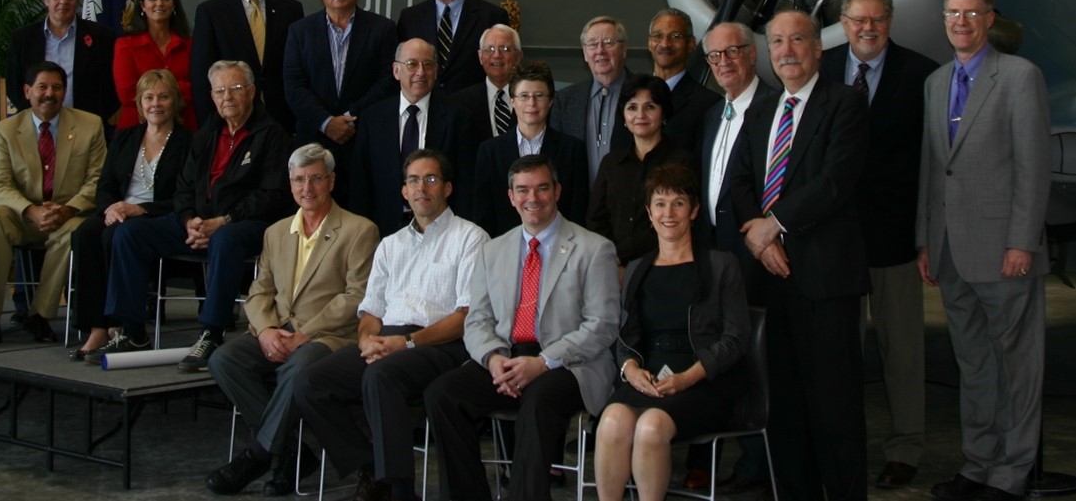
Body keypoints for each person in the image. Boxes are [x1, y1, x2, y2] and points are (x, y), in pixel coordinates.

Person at [917, 0, 1051, 501]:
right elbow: (934, 171)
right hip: (950, 251)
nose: (962, 23)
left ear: (990, 19)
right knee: (973, 364)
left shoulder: (1019, 78)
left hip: (1003, 251)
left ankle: (1012, 472)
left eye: (972, 14)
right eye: (953, 13)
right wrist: (925, 240)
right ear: (944, 19)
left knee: (1017, 365)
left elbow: (1033, 168)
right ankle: (978, 465)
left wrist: (1023, 242)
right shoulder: (935, 83)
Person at [728, 10, 870, 501]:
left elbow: (834, 182)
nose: (786, 50)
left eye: (797, 40)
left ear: (817, 48)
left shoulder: (844, 104)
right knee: (782, 405)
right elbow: (738, 184)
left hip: (825, 282)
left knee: (836, 406)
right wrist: (760, 238)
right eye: (777, 41)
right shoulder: (762, 111)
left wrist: (775, 224)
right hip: (770, 281)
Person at [291, 149, 489, 501]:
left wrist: (408, 342)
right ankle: (372, 464)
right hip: (388, 341)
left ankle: (399, 491)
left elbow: (465, 316)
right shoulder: (390, 244)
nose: (421, 188)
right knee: (310, 382)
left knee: (381, 376)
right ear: (403, 191)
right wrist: (368, 340)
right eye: (413, 180)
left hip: (440, 345)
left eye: (430, 179)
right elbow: (371, 311)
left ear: (447, 188)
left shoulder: (471, 238)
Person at [425, 154, 620, 501]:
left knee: (539, 399)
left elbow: (602, 325)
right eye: (523, 190)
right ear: (511, 197)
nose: (533, 198)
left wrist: (543, 362)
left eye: (542, 188)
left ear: (557, 191)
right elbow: (478, 319)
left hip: (569, 364)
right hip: (507, 357)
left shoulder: (594, 249)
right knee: (443, 394)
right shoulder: (493, 250)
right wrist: (493, 358)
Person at [205, 144, 380, 497]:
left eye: (316, 178)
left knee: (299, 369)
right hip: (279, 330)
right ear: (290, 183)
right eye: (299, 179)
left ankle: (260, 454)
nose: (307, 188)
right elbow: (259, 292)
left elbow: (356, 296)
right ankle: (288, 451)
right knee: (224, 358)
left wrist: (305, 333)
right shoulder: (275, 232)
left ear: (331, 181)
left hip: (330, 336)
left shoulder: (360, 229)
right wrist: (267, 330)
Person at [96, 60, 293, 371]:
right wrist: (190, 219)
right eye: (220, 91)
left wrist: (224, 220)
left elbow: (272, 196)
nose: (228, 97)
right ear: (212, 97)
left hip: (246, 225)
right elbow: (184, 188)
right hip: (199, 222)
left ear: (252, 92)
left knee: (225, 240)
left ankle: (211, 333)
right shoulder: (206, 134)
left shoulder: (271, 135)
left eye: (236, 89)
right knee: (129, 233)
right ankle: (132, 332)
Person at [820, 0, 937, 490]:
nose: (867, 30)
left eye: (877, 21)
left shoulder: (922, 75)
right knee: (838, 354)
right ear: (842, 23)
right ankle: (841, 447)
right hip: (833, 243)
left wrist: (925, 236)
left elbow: (933, 165)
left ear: (890, 22)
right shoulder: (821, 68)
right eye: (857, 21)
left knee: (902, 351)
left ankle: (906, 448)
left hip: (893, 240)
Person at [594, 165, 751, 501]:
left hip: (704, 382)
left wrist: (689, 377)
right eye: (660, 204)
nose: (669, 213)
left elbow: (736, 338)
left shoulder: (722, 264)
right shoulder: (637, 269)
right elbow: (624, 336)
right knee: (611, 421)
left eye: (678, 203)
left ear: (693, 211)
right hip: (648, 378)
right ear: (649, 213)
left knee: (651, 427)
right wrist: (630, 370)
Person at [0, 61, 107, 348]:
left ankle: (39, 314)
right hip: (24, 215)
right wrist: (30, 210)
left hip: (68, 214)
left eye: (57, 88)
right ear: (27, 91)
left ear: (64, 91)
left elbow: (98, 180)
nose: (49, 94)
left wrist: (68, 209)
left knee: (76, 232)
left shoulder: (89, 124)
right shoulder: (6, 130)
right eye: (42, 87)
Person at [69, 69, 192, 361]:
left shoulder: (189, 143)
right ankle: (97, 327)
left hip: (157, 216)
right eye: (148, 97)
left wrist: (141, 209)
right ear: (139, 103)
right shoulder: (125, 138)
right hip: (120, 212)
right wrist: (111, 208)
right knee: (85, 233)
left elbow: (185, 197)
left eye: (163, 96)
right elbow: (105, 187)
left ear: (175, 101)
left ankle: (122, 326)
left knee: (116, 234)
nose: (156, 104)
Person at [695, 26, 770, 492]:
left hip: (759, 257)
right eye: (714, 55)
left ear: (753, 54)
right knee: (730, 358)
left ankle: (764, 465)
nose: (723, 62)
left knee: (761, 364)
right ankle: (746, 462)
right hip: (717, 257)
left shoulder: (774, 108)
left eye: (733, 52)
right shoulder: (713, 114)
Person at [282, 0, 399, 190]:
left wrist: (349, 120)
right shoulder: (299, 31)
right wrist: (326, 122)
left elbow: (387, 82)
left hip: (363, 139)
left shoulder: (383, 29)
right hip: (313, 141)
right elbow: (294, 86)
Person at [349, 39, 476, 234]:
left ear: (436, 71)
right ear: (396, 71)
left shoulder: (458, 118)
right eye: (412, 64)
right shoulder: (372, 119)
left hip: (442, 230)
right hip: (382, 230)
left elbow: (465, 185)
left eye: (428, 65)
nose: (420, 72)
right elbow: (360, 184)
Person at [190, 0, 305, 130]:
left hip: (281, 118)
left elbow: (298, 68)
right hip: (231, 120)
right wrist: (211, 126)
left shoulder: (291, 9)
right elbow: (202, 76)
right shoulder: (211, 12)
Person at [588, 74, 701, 267]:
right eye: (632, 107)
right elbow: (595, 219)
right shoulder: (611, 163)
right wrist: (613, 260)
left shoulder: (682, 161)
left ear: (663, 113)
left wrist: (631, 264)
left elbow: (682, 219)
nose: (640, 115)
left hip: (663, 264)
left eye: (650, 107)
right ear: (623, 115)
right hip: (611, 266)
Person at [472, 62, 587, 236]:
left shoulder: (573, 149)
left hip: (560, 247)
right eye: (524, 96)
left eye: (539, 95)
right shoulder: (490, 151)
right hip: (505, 248)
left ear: (550, 101)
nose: (531, 103)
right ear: (512, 101)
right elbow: (483, 212)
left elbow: (577, 210)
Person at [5, 0, 117, 122]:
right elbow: (14, 87)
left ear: (77, 0)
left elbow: (112, 88)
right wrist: (37, 118)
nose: (64, 1)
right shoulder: (22, 39)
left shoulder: (102, 37)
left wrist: (94, 121)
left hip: (86, 127)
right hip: (37, 126)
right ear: (46, 0)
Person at [551, 16, 634, 189]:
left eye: (609, 42)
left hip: (631, 204)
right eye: (592, 44)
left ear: (624, 49)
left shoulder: (643, 94)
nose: (600, 50)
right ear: (584, 53)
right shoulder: (565, 100)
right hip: (581, 207)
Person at [113, 0, 198, 130]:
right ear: (143, 6)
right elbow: (126, 93)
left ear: (173, 5)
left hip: (184, 124)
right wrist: (175, 91)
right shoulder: (125, 45)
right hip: (137, 127)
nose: (159, 3)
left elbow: (198, 88)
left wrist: (148, 92)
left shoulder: (190, 45)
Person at [646, 9, 719, 152]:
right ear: (649, 43)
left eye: (675, 36)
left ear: (691, 44)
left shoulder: (709, 104)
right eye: (657, 36)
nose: (665, 44)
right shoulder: (632, 98)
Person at [449, 24, 525, 142]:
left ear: (519, 57)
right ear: (480, 57)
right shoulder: (459, 103)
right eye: (489, 49)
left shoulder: (534, 99)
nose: (496, 55)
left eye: (505, 49)